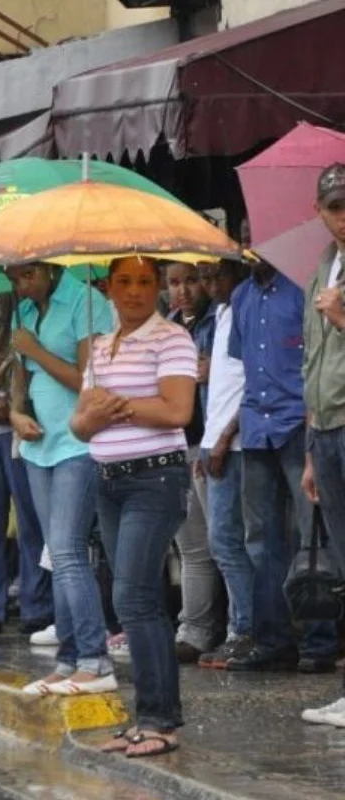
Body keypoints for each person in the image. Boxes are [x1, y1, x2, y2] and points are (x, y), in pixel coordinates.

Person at [71, 255, 197, 759]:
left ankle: (158, 721)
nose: (135, 291)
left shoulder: (172, 338)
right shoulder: (102, 346)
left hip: (154, 478)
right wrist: (95, 413)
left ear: (158, 285)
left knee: (135, 598)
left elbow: (177, 409)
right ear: (107, 287)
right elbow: (80, 425)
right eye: (123, 281)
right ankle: (149, 715)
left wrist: (114, 407)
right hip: (108, 480)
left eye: (145, 281)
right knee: (131, 600)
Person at [7, 264, 115, 696]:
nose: (20, 285)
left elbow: (88, 382)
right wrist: (15, 415)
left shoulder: (85, 301)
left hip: (77, 442)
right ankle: (69, 659)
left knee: (69, 549)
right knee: (56, 553)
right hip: (39, 444)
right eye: (13, 278)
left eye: (26, 275)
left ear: (48, 266)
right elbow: (19, 379)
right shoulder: (23, 311)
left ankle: (95, 659)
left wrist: (34, 349)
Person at [227, 256, 338, 672]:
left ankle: (319, 641)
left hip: (298, 422)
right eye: (245, 238)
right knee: (260, 539)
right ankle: (273, 639)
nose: (251, 248)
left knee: (314, 536)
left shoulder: (303, 290)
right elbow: (242, 365)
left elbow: (317, 359)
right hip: (256, 426)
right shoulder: (241, 296)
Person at [0, 296, 51, 636]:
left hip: (23, 433)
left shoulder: (26, 324)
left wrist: (15, 405)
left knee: (30, 523)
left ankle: (36, 605)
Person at [299, 163, 345, 728]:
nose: (343, 216)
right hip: (326, 429)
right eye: (335, 207)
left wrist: (342, 315)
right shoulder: (321, 270)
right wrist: (311, 449)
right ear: (319, 211)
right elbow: (311, 361)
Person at [196, 261, 254, 669]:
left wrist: (223, 437)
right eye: (205, 276)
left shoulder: (244, 310)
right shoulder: (219, 314)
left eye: (219, 275)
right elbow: (219, 389)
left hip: (235, 445)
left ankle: (244, 630)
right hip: (215, 441)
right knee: (224, 542)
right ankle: (241, 627)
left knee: (229, 541)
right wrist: (207, 441)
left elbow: (253, 381)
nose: (211, 283)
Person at [164, 262, 219, 663]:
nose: (183, 291)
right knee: (192, 547)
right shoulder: (168, 328)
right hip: (177, 445)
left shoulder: (218, 319)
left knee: (225, 543)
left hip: (211, 444)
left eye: (191, 281)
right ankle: (194, 630)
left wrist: (213, 369)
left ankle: (239, 627)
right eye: (174, 283)